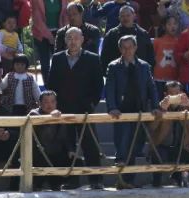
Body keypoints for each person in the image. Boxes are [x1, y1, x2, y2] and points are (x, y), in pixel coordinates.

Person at [47, 27, 105, 186]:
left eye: (76, 38)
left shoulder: (92, 58)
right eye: (69, 38)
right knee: (67, 146)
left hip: (84, 108)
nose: (72, 41)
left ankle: (96, 180)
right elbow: (52, 84)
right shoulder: (58, 58)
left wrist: (92, 103)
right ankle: (71, 180)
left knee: (90, 145)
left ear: (82, 40)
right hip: (63, 109)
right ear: (65, 40)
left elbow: (98, 85)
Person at [105, 34, 159, 187]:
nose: (127, 50)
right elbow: (109, 89)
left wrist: (155, 106)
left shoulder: (144, 66)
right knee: (122, 146)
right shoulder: (113, 66)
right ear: (120, 49)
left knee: (136, 146)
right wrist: (112, 107)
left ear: (135, 48)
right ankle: (122, 180)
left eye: (130, 47)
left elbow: (151, 88)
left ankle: (130, 180)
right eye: (124, 47)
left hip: (140, 110)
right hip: (122, 112)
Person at [149, 79, 189, 186]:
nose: (175, 96)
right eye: (172, 94)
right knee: (157, 154)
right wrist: (161, 110)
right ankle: (156, 183)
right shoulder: (158, 107)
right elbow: (151, 128)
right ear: (165, 95)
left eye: (177, 93)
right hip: (164, 146)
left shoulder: (185, 106)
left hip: (183, 147)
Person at [28, 90, 73, 189]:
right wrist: (50, 118)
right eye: (46, 102)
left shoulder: (59, 115)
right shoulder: (34, 114)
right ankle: (38, 184)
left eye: (52, 102)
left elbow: (65, 136)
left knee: (73, 159)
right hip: (39, 152)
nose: (50, 105)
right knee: (42, 160)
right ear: (39, 103)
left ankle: (62, 184)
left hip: (55, 150)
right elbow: (43, 134)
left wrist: (70, 149)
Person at [31, 0, 66, 82]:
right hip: (41, 34)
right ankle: (47, 86)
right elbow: (37, 20)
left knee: (59, 61)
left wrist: (64, 31)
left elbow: (65, 15)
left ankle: (59, 84)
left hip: (59, 32)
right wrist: (50, 37)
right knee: (45, 64)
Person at [153, 15, 182, 96]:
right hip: (159, 78)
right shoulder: (157, 41)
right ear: (164, 26)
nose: (172, 26)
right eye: (169, 24)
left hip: (174, 79)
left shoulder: (180, 41)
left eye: (175, 24)